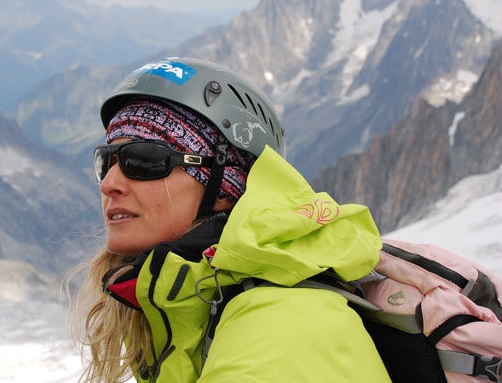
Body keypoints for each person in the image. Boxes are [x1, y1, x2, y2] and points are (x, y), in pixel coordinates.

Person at [70, 57, 392, 382]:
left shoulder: (276, 334)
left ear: (226, 185)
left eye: (143, 160)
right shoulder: (201, 305)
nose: (110, 183)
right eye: (107, 160)